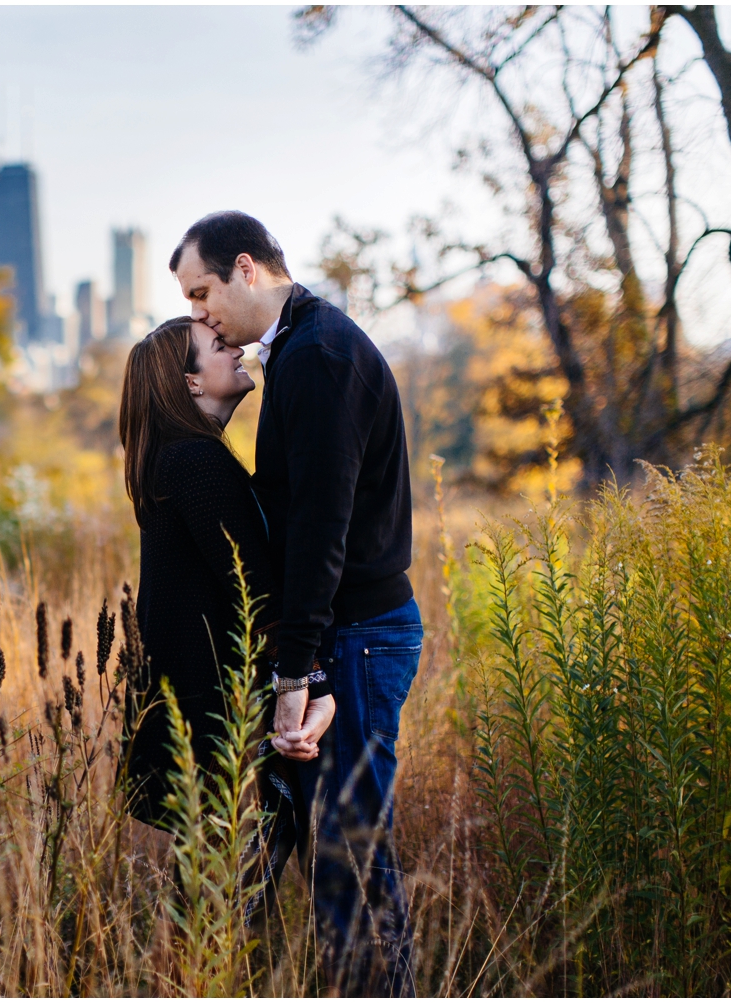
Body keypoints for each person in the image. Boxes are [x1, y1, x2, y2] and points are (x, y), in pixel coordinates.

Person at [169, 211, 421, 996]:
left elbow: (320, 531)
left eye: (202, 291)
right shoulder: (306, 348)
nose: (198, 312)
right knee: (336, 853)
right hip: (346, 634)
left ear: (247, 268)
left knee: (349, 857)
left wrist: (293, 674)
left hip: (357, 637)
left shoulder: (317, 357)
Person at [116, 316, 307, 829]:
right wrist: (302, 678)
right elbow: (254, 592)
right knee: (223, 871)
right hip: (208, 713)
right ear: (191, 382)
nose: (238, 351)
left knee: (219, 871)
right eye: (220, 346)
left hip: (195, 706)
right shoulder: (195, 462)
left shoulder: (180, 459)